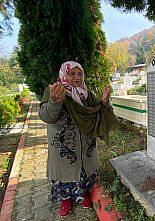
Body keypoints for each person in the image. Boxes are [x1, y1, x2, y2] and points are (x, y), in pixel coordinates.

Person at [39, 61, 117, 217]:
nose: (76, 77)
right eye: (72, 74)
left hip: (86, 145)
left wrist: (104, 102)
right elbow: (46, 116)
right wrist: (54, 101)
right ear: (64, 74)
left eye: (79, 74)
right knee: (66, 175)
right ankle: (65, 200)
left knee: (85, 172)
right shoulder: (55, 90)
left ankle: (85, 195)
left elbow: (97, 113)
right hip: (64, 146)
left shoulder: (86, 94)